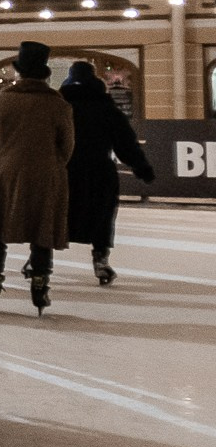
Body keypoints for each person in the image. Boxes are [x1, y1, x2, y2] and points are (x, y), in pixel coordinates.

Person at [0, 41, 74, 313]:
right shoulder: (59, 106)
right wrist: (49, 164)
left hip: (3, 173)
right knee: (42, 231)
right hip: (46, 175)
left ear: (19, 72)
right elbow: (66, 146)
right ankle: (40, 286)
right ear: (45, 74)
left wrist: (3, 159)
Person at [62, 59, 154, 285]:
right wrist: (141, 167)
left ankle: (40, 259)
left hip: (65, 170)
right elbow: (125, 143)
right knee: (102, 216)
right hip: (99, 170)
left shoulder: (60, 107)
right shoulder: (106, 108)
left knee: (58, 214)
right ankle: (100, 260)